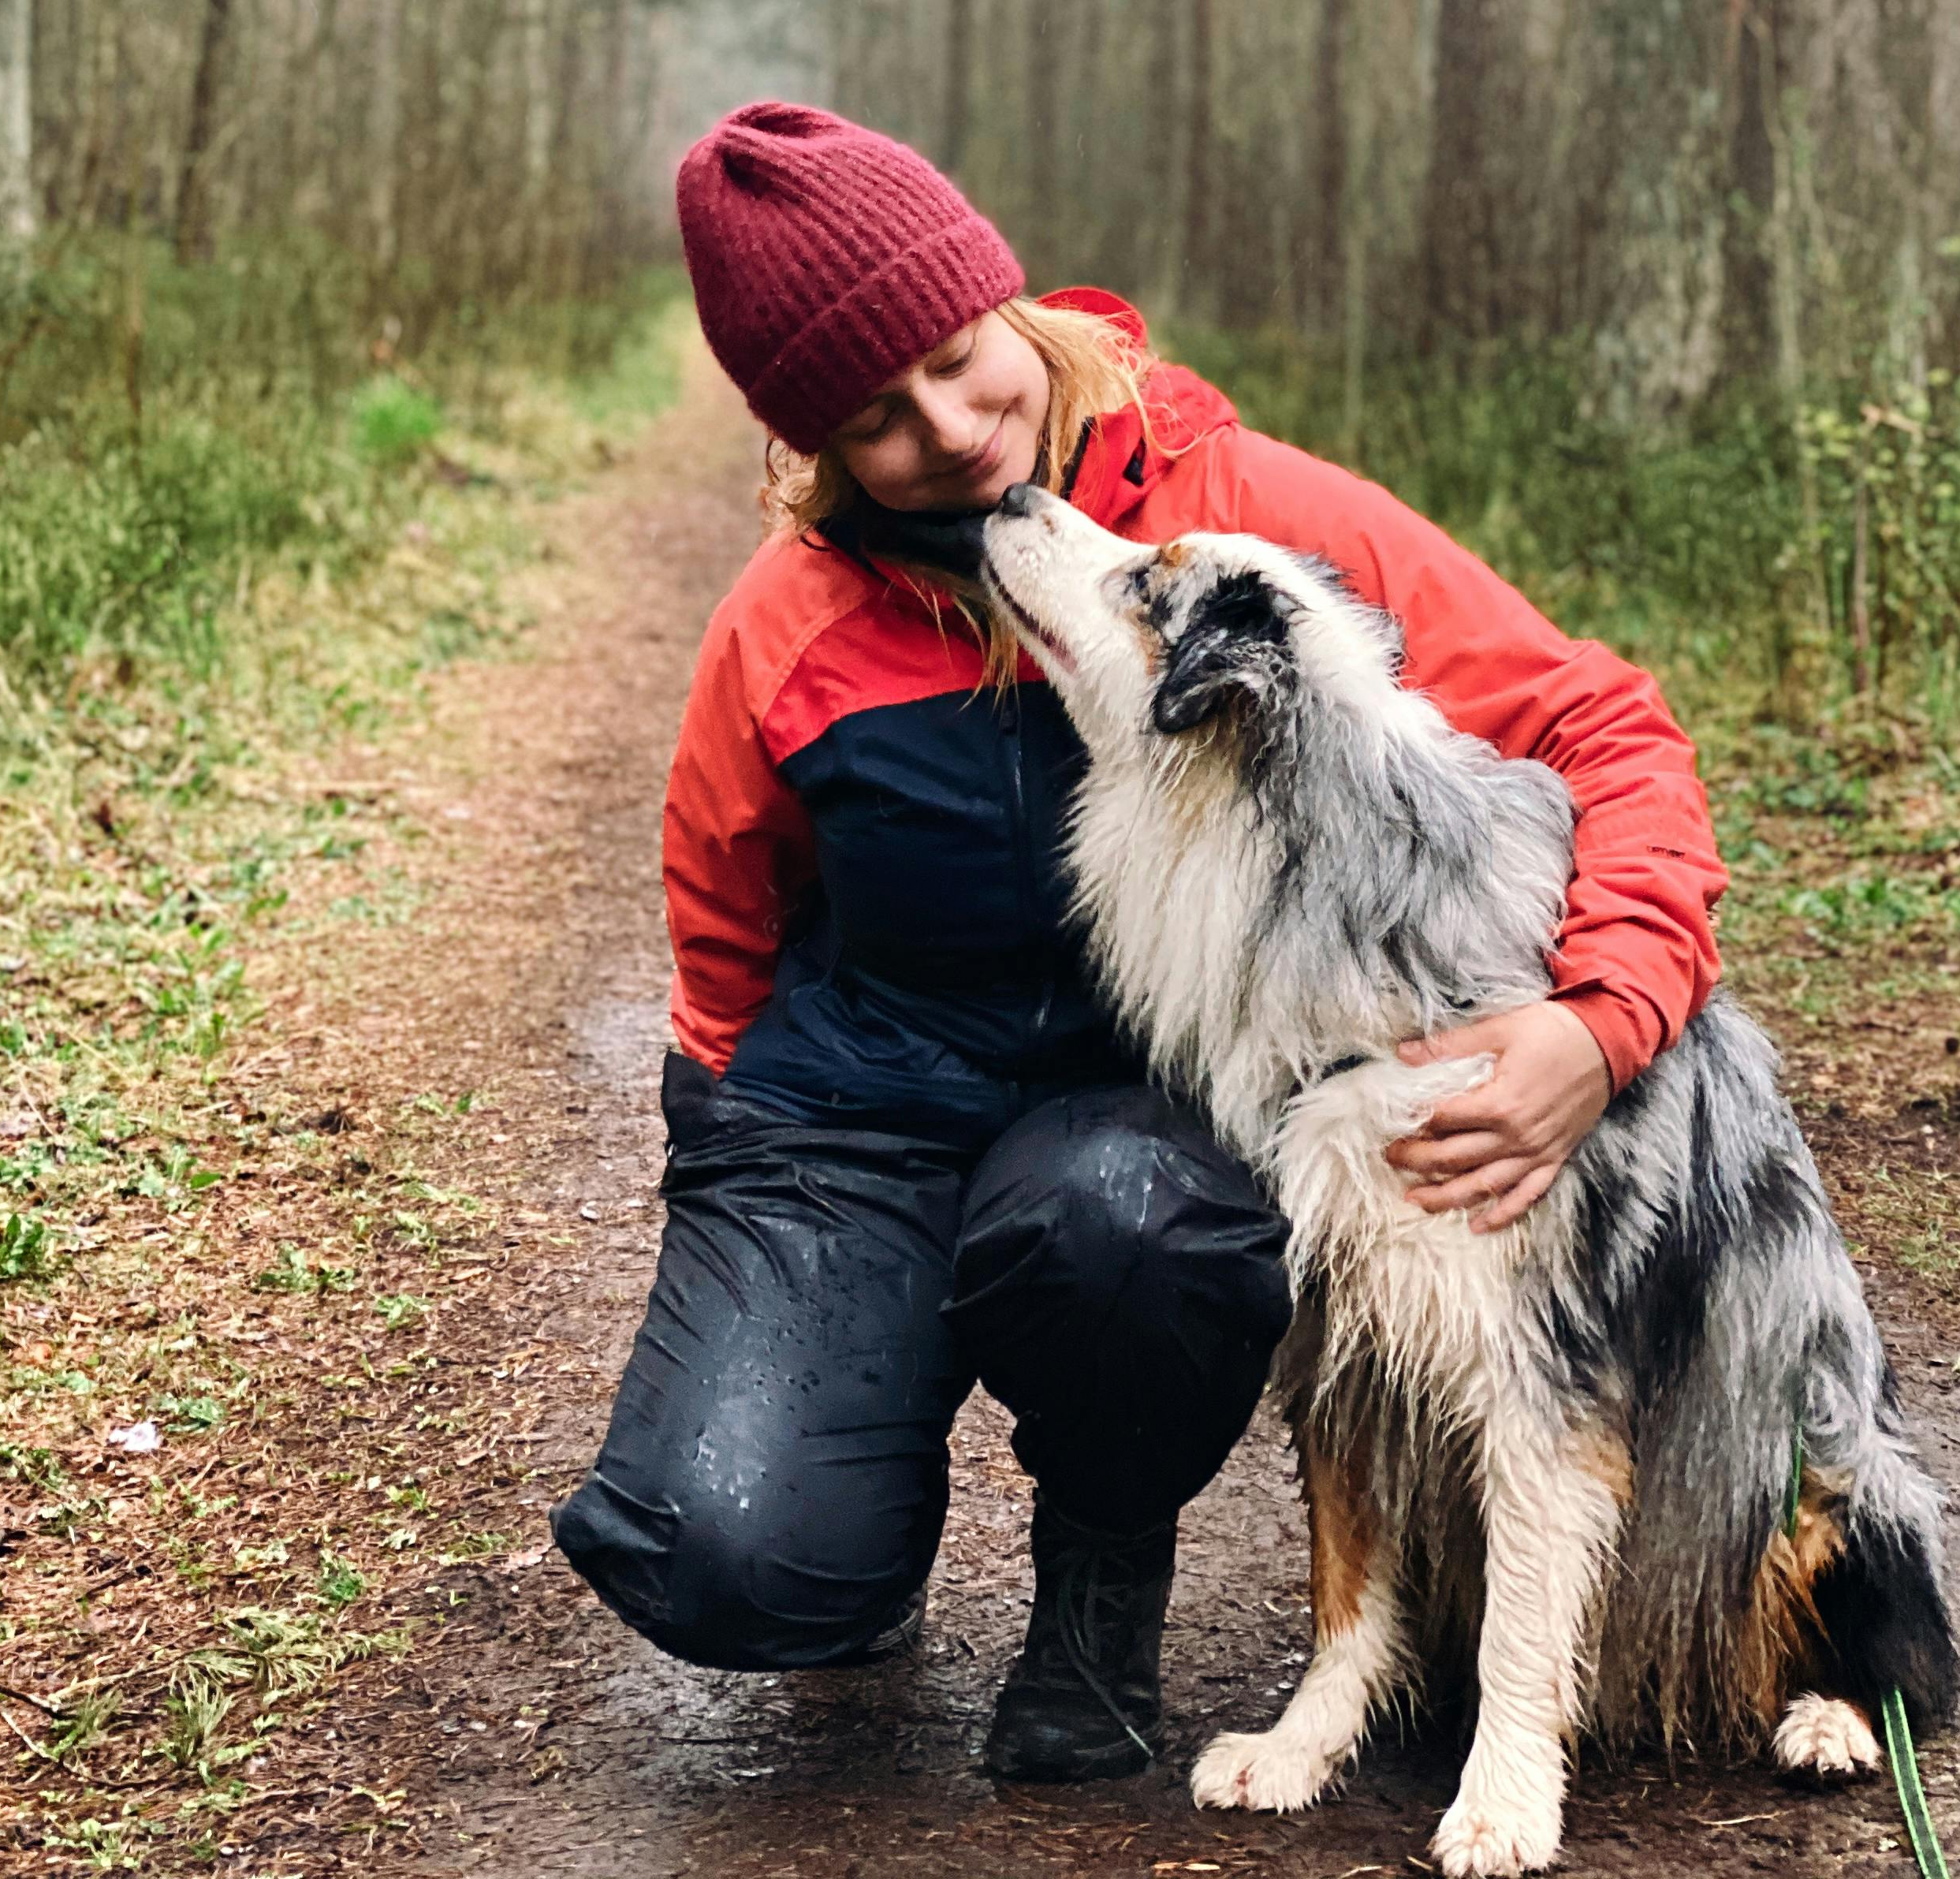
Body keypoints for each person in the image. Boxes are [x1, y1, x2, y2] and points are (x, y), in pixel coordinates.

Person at [551, 101, 1725, 1784]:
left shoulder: (1246, 521)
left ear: (1011, 303)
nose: (954, 432)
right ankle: (851, 1472)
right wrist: (747, 1212)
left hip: (1130, 1126)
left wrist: (1600, 1022)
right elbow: (722, 935)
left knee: (1131, 1227)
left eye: (963, 359)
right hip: (871, 1112)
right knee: (734, 1555)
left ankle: (1098, 1580)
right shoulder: (789, 624)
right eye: (878, 420)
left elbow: (1604, 726)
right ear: (815, 451)